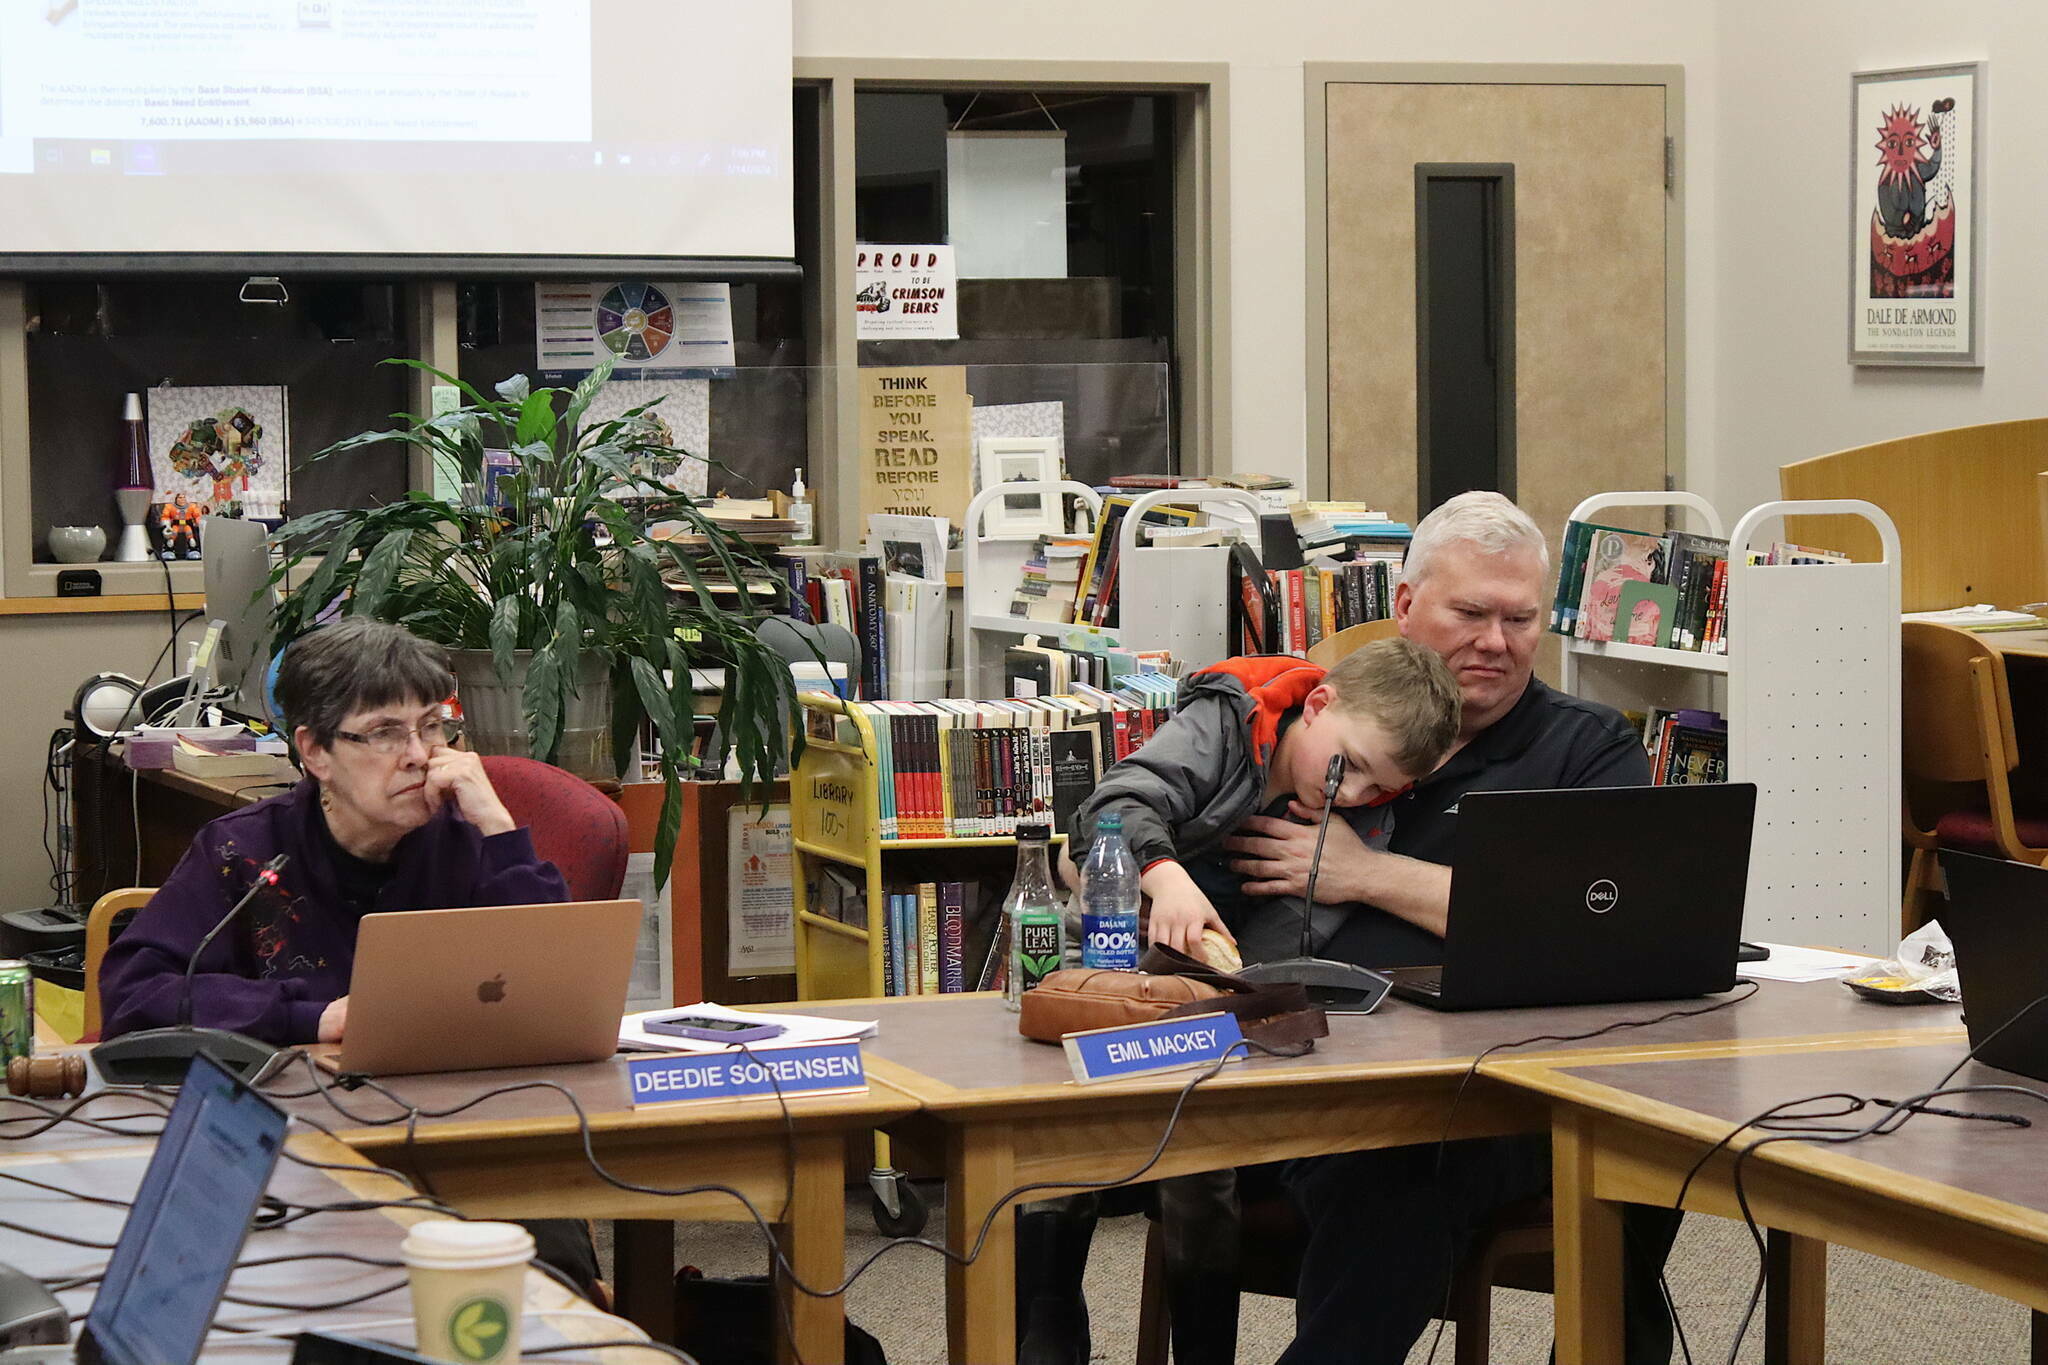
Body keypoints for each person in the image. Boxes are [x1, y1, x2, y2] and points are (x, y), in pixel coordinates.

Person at [1216, 491, 1678, 1365]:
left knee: (1648, 1145)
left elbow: (1593, 930)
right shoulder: (1305, 721)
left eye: (1519, 618)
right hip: (1283, 1074)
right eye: (1469, 612)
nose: (1494, 642)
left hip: (1492, 1095)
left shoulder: (1586, 751)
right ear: (1402, 605)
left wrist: (1368, 874)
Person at [97, 616, 599, 1297]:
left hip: (468, 1132)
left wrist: (498, 824)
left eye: (433, 726)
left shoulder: (465, 835)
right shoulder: (246, 852)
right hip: (298, 1143)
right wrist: (310, 1014)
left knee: (549, 1278)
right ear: (316, 751)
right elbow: (135, 995)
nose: (420, 754)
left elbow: (563, 985)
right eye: (387, 733)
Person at [1025, 638, 1462, 1365]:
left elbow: (1288, 935)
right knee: (1061, 1147)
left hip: (1208, 995)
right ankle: (1049, 1328)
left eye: (1374, 787)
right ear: (1319, 704)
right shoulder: (1227, 721)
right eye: (1346, 766)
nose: (1348, 796)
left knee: (1206, 1166)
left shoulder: (1358, 814)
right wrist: (1165, 878)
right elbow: (1117, 803)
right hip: (1102, 961)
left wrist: (1228, 980)